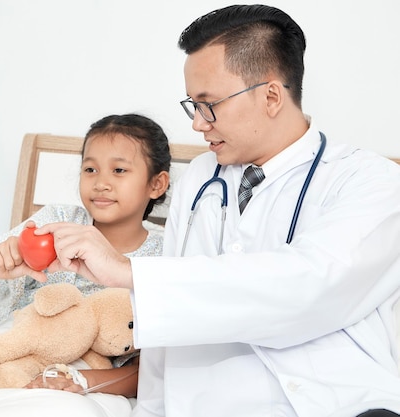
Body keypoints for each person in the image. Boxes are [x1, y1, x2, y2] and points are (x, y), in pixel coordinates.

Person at [35, 5, 400, 417]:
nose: (197, 123)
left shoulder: (370, 182)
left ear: (271, 96)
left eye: (209, 104)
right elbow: (165, 339)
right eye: (192, 105)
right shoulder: (200, 178)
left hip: (335, 402)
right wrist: (151, 408)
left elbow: (307, 286)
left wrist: (129, 272)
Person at [0, 113, 171, 397]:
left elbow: (150, 370)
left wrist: (76, 380)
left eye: (119, 171)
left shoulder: (163, 256)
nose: (101, 183)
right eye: (90, 170)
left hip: (93, 378)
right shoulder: (57, 221)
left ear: (156, 184)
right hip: (26, 349)